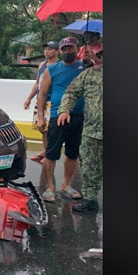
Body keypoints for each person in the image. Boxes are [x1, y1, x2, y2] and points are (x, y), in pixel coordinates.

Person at [36, 37, 86, 203]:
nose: (67, 52)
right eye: (64, 49)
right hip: (58, 116)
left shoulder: (84, 68)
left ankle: (66, 185)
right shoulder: (51, 69)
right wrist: (41, 117)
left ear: (76, 49)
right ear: (60, 51)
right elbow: (42, 94)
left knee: (72, 153)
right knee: (51, 153)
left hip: (78, 116)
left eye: (70, 48)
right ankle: (50, 187)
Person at [58, 43, 103, 212]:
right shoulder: (89, 74)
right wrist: (64, 110)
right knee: (90, 166)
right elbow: (71, 93)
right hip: (92, 131)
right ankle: (90, 200)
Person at [23, 41, 60, 163]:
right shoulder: (41, 65)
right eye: (46, 49)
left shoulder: (59, 65)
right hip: (41, 99)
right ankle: (45, 150)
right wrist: (29, 98)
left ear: (57, 51)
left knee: (50, 129)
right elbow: (37, 83)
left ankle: (48, 153)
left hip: (51, 99)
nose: (47, 51)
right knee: (41, 127)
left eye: (50, 49)